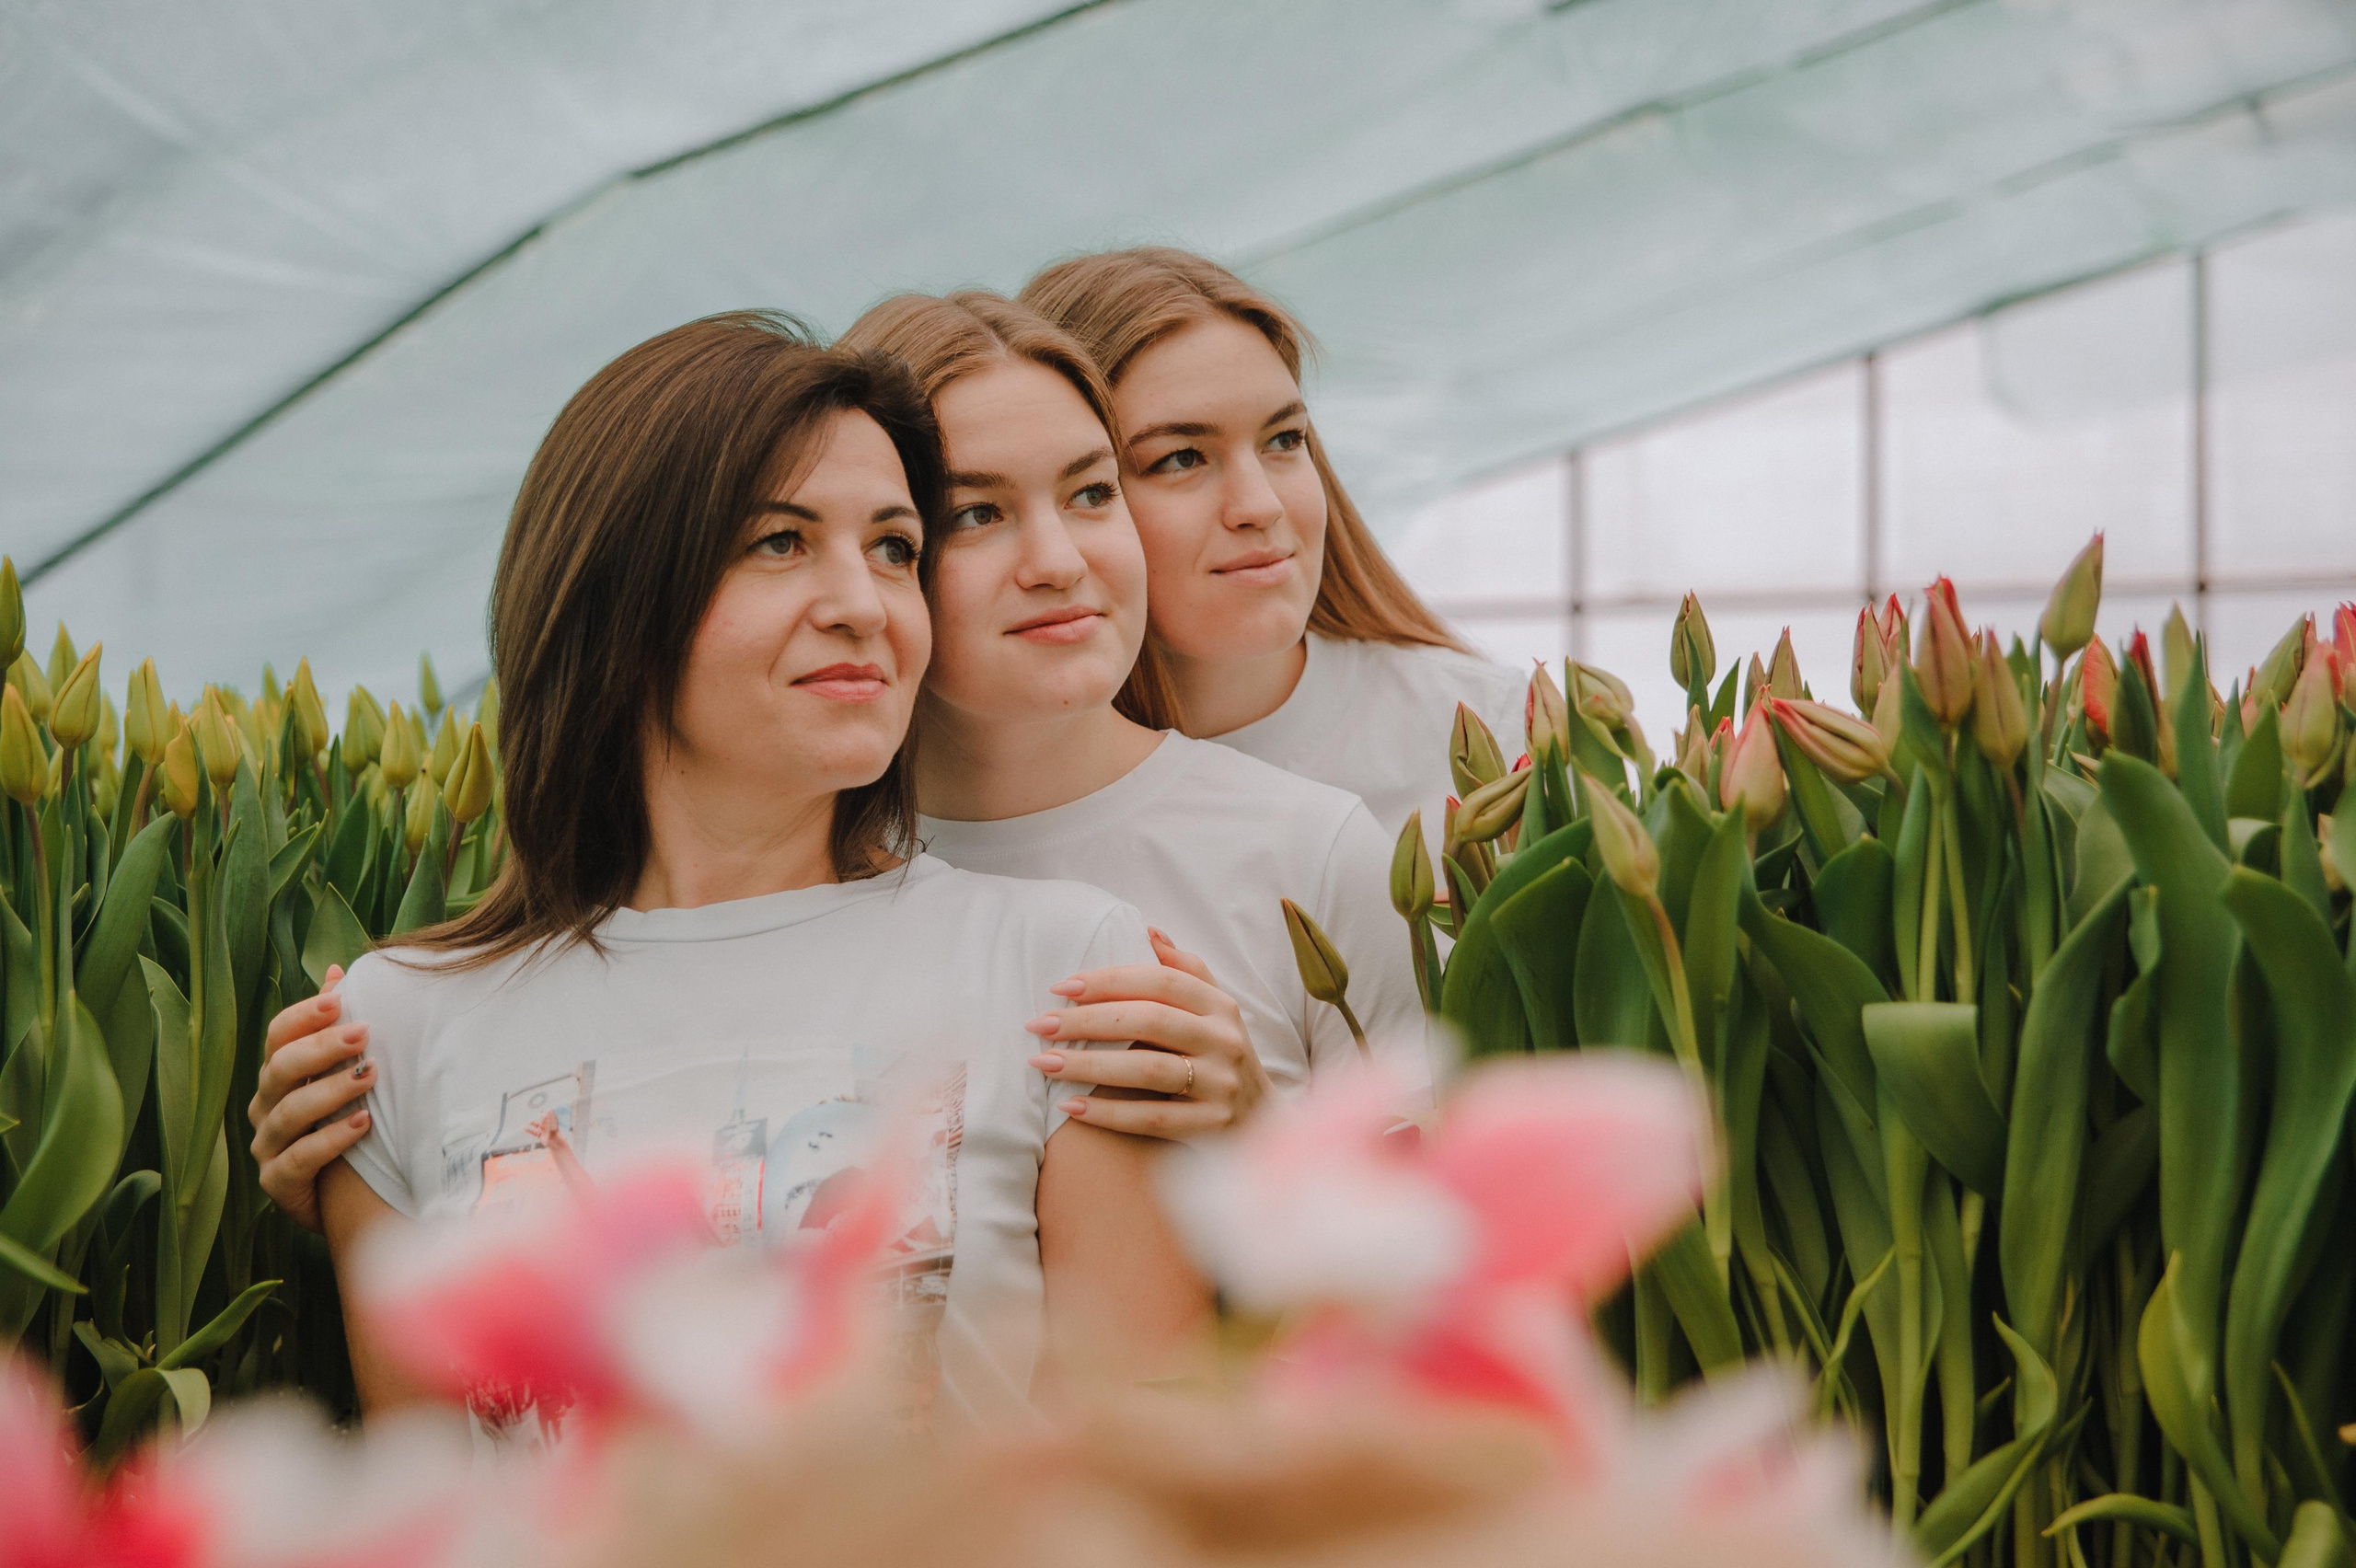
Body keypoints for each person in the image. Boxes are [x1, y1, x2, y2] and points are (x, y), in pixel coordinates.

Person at [285, 314, 1205, 1432]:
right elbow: (428, 1508)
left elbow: (1150, 1467)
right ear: (619, 596)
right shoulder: (396, 1031)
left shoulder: (1062, 969)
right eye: (780, 542)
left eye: (894, 549)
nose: (864, 605)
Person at [836, 292, 1427, 1113]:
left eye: (1090, 494)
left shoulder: (1314, 853)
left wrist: (1258, 1130)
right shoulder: (799, 877)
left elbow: (1441, 1230)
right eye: (976, 514)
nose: (1059, 562)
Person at [1021, 248, 1530, 857]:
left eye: (1284, 439)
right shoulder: (996, 796)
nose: (1260, 505)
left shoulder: (1489, 734)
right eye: (1181, 458)